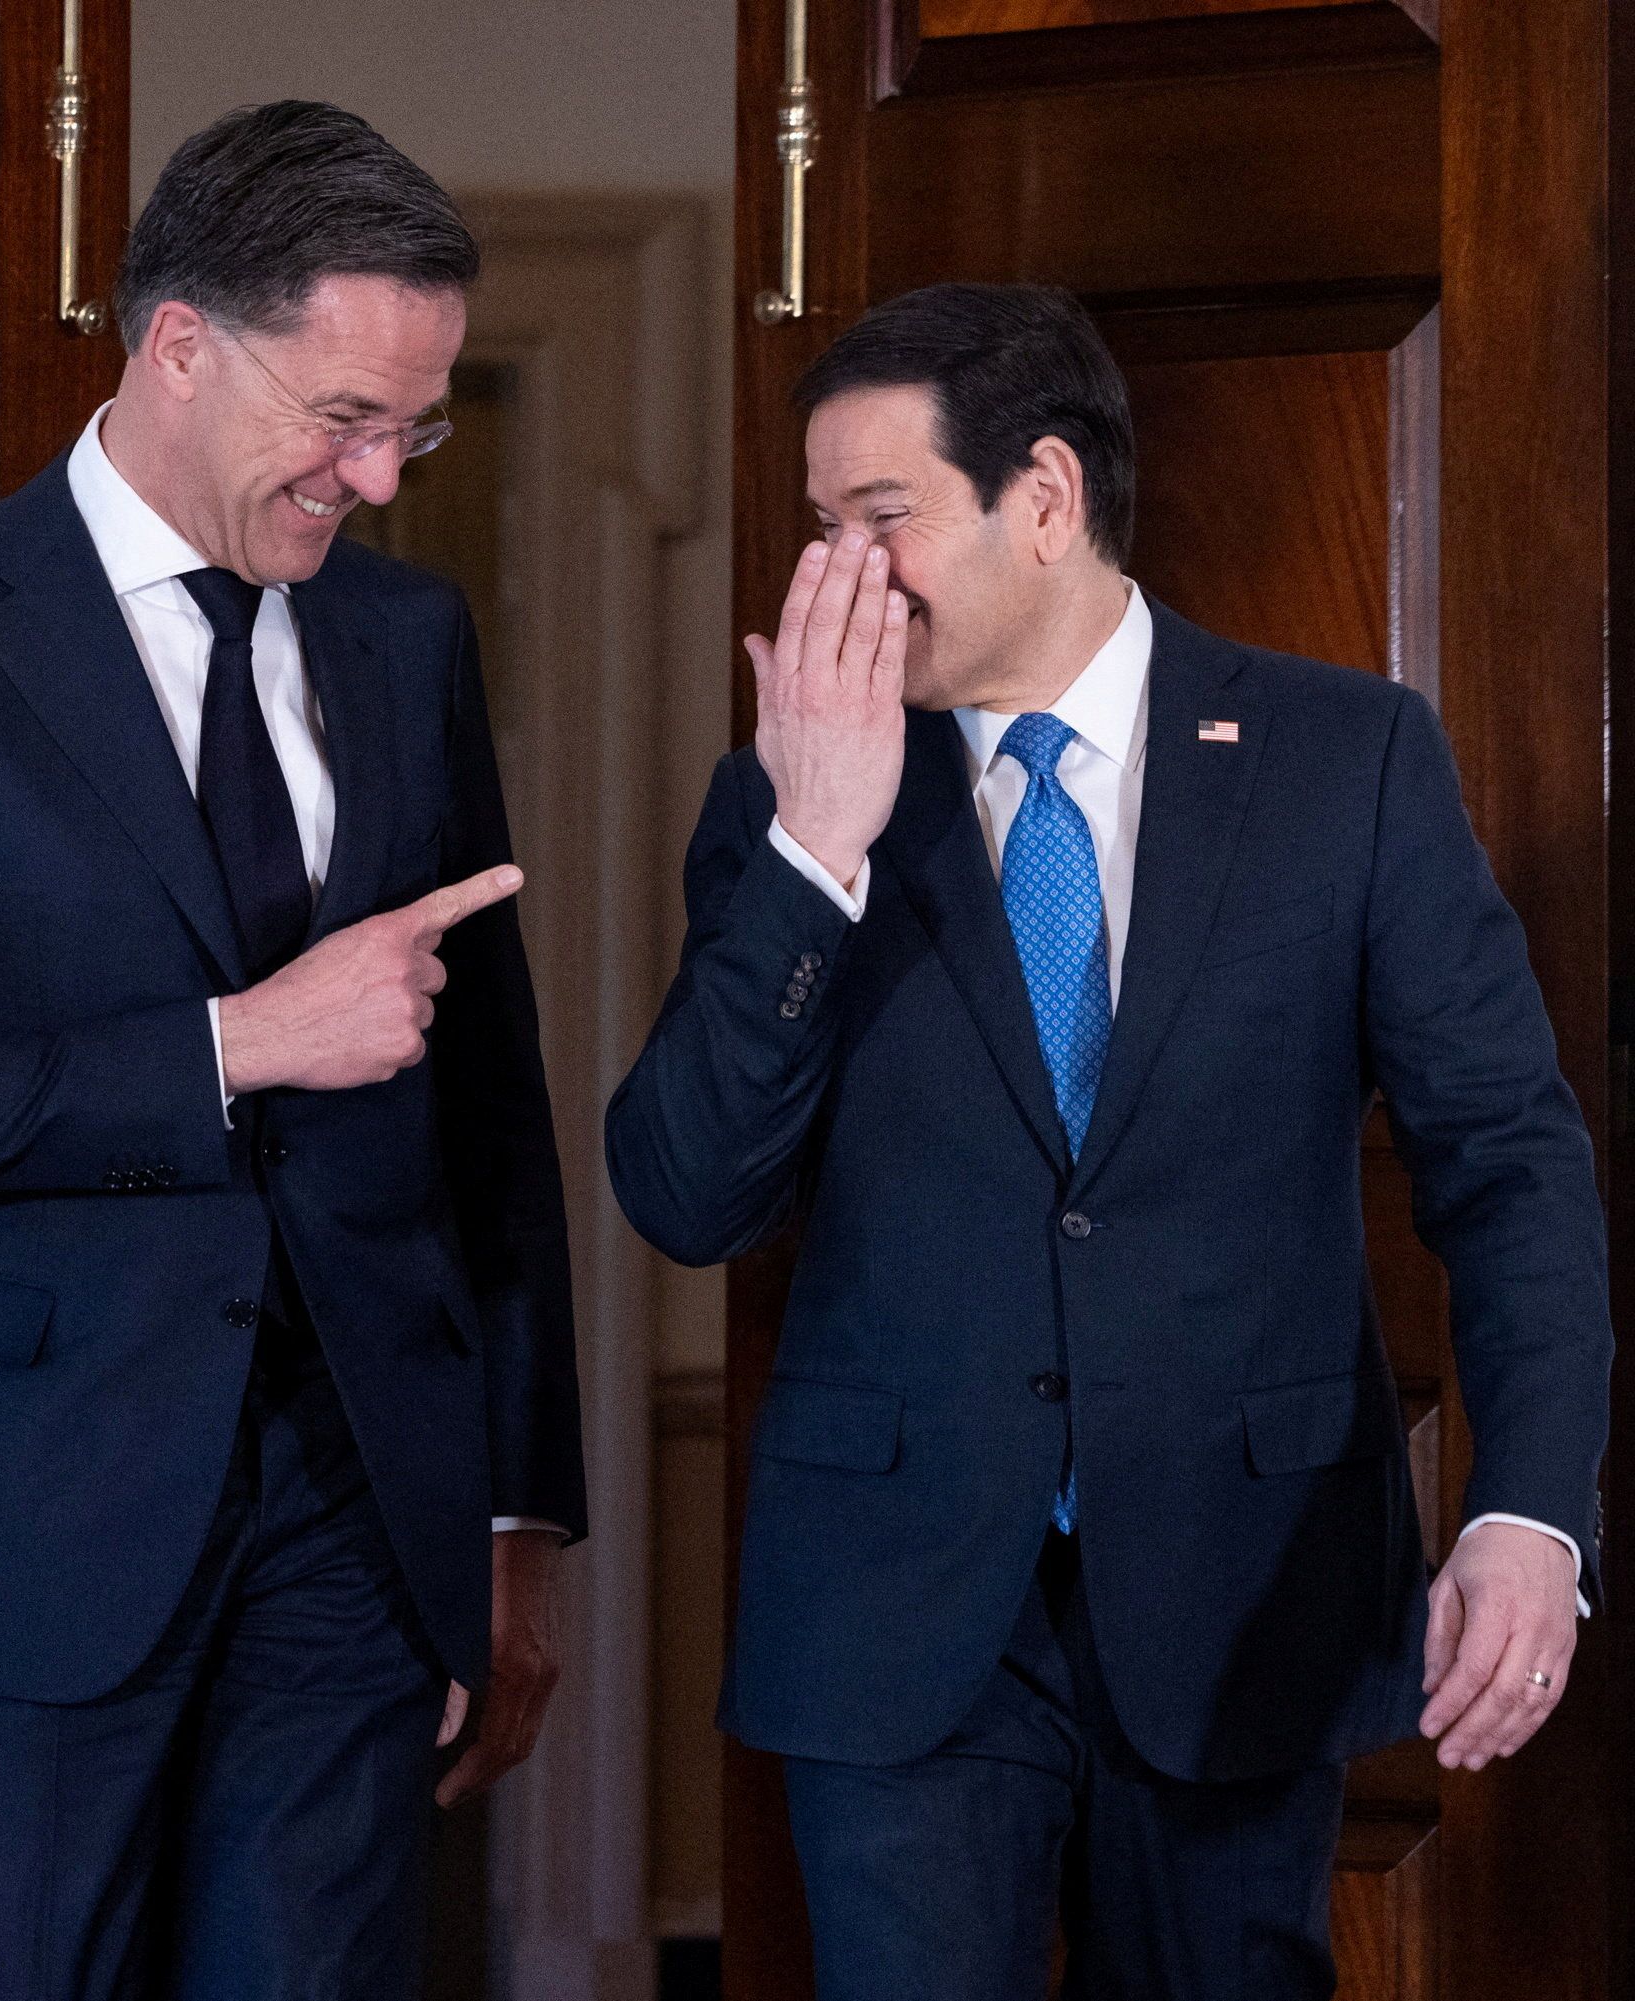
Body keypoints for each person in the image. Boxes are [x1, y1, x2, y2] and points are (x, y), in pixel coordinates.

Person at [606, 282, 1609, 1999]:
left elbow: (1509, 1162)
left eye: (879, 518)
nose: (837, 577)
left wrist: (1531, 1509)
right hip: (899, 1621)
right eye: (820, 530)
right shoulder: (785, 796)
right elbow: (685, 1193)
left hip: (1245, 1594)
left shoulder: (1348, 759)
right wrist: (817, 858)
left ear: (1047, 498)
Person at [0, 101, 586, 2001]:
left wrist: (517, 1513)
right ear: (179, 345)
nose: (381, 477)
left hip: (357, 1525)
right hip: (34, 1524)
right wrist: (237, 1044)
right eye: (344, 417)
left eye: (414, 428)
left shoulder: (409, 639)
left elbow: (491, 1108)